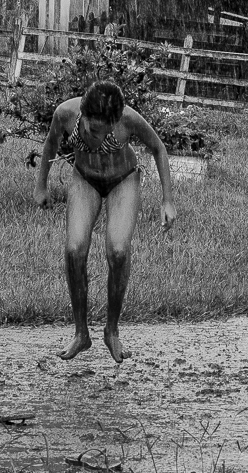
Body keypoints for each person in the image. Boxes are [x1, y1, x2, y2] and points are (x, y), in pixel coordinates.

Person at [33, 80, 177, 362]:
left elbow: (159, 148)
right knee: (74, 249)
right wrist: (41, 186)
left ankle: (111, 331)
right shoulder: (65, 113)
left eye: (102, 131)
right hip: (85, 179)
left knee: (119, 250)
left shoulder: (129, 119)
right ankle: (81, 334)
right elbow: (50, 145)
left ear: (115, 122)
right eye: (90, 128)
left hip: (123, 180)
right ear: (83, 116)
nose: (94, 136)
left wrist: (167, 200)